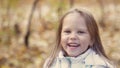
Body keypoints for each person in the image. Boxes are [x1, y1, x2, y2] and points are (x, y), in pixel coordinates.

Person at [43, 8, 115, 68]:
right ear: (60, 35)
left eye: (80, 32)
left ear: (92, 39)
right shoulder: (51, 63)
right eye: (67, 31)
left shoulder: (99, 65)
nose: (73, 37)